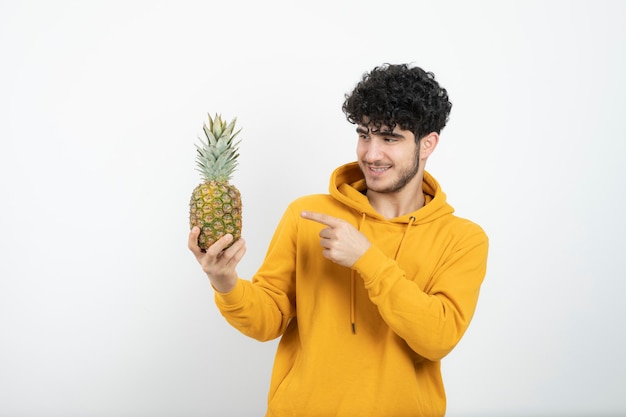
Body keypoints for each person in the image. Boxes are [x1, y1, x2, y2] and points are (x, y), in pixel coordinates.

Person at [188, 63, 489, 417]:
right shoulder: (307, 214)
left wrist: (367, 258)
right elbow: (267, 321)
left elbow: (438, 338)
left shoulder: (462, 238)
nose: (371, 154)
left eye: (389, 138)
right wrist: (225, 283)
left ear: (428, 144)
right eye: (365, 135)